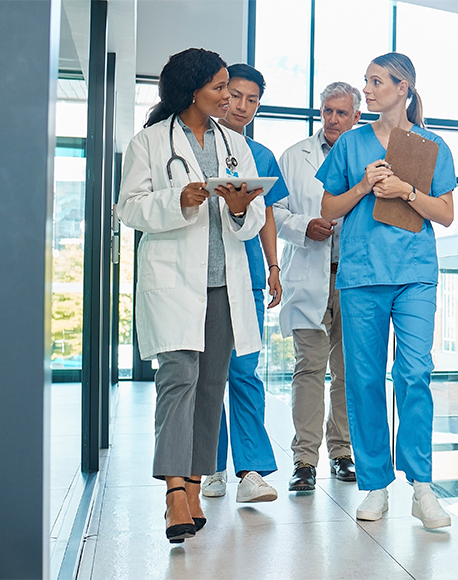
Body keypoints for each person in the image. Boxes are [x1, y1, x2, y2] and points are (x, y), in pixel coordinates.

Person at [116, 48, 265, 543]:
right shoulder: (150, 143)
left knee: (211, 385)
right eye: (221, 88)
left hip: (224, 284)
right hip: (175, 282)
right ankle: (173, 489)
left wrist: (243, 208)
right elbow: (129, 209)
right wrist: (174, 200)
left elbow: (255, 218)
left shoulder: (234, 144)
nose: (229, 97)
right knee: (178, 377)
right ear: (192, 89)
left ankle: (196, 484)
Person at [317, 53, 456, 529]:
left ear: (404, 87)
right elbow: (330, 206)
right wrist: (363, 186)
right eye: (367, 82)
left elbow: (445, 214)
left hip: (415, 272)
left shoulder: (432, 144)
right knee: (364, 380)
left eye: (377, 82)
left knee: (415, 372)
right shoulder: (351, 144)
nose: (368, 91)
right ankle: (376, 484)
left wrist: (405, 192)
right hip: (360, 275)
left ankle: (421, 486)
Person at [199, 63, 286, 503]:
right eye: (235, 95)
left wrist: (272, 267)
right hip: (202, 274)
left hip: (247, 273)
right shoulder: (196, 147)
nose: (243, 106)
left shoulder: (262, 154)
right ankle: (211, 466)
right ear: (219, 93)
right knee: (207, 372)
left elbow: (267, 214)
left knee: (243, 370)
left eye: (253, 100)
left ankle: (250, 471)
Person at [275, 81, 363, 492]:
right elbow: (271, 212)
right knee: (309, 368)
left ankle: (342, 452)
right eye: (327, 110)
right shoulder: (295, 158)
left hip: (355, 280)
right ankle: (304, 460)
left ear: (356, 117)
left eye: (341, 113)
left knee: (347, 372)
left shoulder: (369, 156)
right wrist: (301, 225)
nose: (332, 119)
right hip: (309, 274)